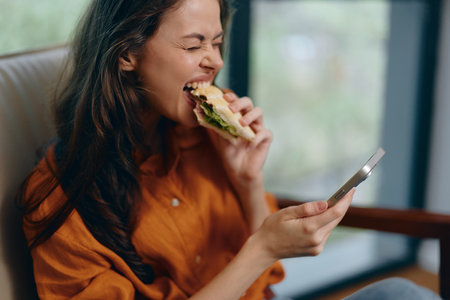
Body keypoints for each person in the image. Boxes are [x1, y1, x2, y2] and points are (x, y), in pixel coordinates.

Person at [17, 0, 441, 299]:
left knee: (404, 293)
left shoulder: (207, 136)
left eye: (216, 43)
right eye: (193, 44)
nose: (215, 61)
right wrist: (261, 250)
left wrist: (248, 180)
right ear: (127, 52)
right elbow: (264, 259)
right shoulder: (58, 199)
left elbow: (270, 278)